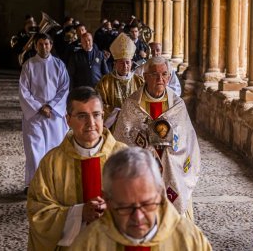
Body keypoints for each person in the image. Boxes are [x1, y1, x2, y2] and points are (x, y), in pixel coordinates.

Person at [27, 86, 127, 251]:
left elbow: (146, 204)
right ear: (68, 119)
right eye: (82, 116)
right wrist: (79, 214)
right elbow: (38, 211)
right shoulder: (52, 162)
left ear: (103, 116)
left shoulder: (125, 157)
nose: (91, 123)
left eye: (96, 115)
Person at [69, 147, 212, 250]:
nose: (138, 217)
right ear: (108, 200)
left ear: (160, 194)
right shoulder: (88, 244)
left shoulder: (189, 241)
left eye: (147, 204)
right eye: (125, 206)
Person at [113, 56, 200, 220]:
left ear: (169, 77)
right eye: (154, 74)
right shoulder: (132, 105)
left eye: (164, 74)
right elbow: (122, 140)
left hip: (171, 171)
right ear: (145, 77)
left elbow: (187, 141)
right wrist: (146, 145)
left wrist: (169, 143)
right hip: (142, 172)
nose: (160, 79)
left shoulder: (177, 105)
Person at [19, 33, 69, 192]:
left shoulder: (59, 65)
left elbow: (64, 89)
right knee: (35, 151)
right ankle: (34, 185)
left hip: (54, 116)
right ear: (35, 46)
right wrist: (40, 107)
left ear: (51, 45)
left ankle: (54, 184)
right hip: (35, 116)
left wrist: (51, 106)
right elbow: (24, 91)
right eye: (40, 44)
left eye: (46, 44)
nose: (44, 47)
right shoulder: (29, 65)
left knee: (55, 150)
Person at [95, 33, 144, 129]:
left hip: (134, 126)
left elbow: (145, 104)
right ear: (115, 64)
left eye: (127, 62)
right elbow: (98, 104)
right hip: (113, 127)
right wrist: (116, 112)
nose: (125, 66)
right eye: (121, 62)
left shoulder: (139, 81)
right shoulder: (105, 82)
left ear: (131, 63)